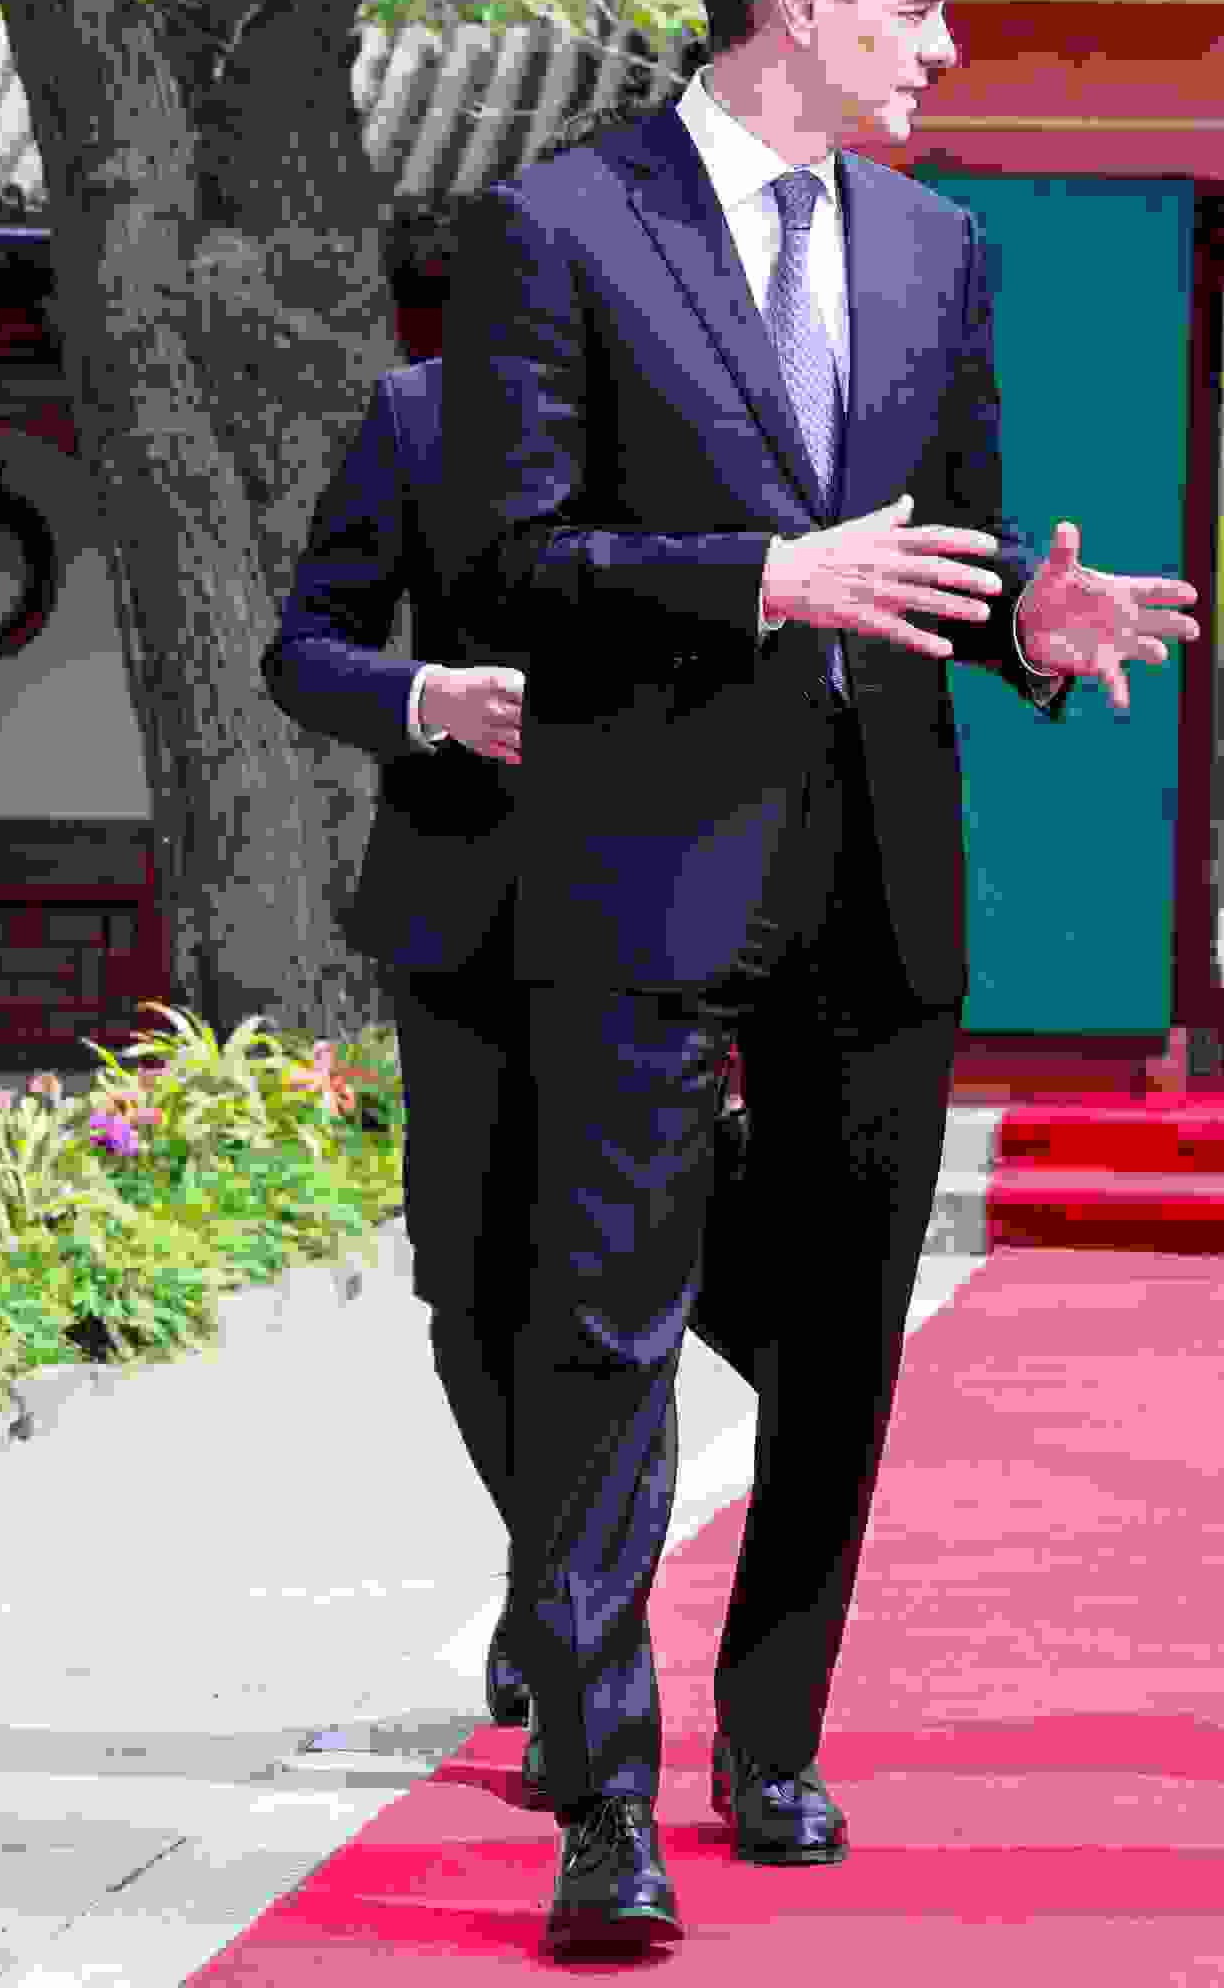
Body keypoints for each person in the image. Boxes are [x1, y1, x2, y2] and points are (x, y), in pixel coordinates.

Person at [434, 0, 1202, 1957]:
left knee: (844, 1341)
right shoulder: (554, 228)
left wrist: (1027, 626)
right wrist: (761, 579)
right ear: (800, 1)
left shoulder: (941, 248)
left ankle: (773, 1734)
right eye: (921, 6)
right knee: (604, 1333)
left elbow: (949, 552)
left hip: (878, 876)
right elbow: (503, 564)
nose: (946, 45)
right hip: (641, 866)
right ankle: (603, 1798)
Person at [261, 357, 765, 1808]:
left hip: (678, 921)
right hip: (462, 920)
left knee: (612, 1302)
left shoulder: (725, 404)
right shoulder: (421, 412)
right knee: (472, 1290)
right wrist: (426, 694)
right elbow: (304, 650)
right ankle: (558, 1583)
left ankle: (582, 1655)